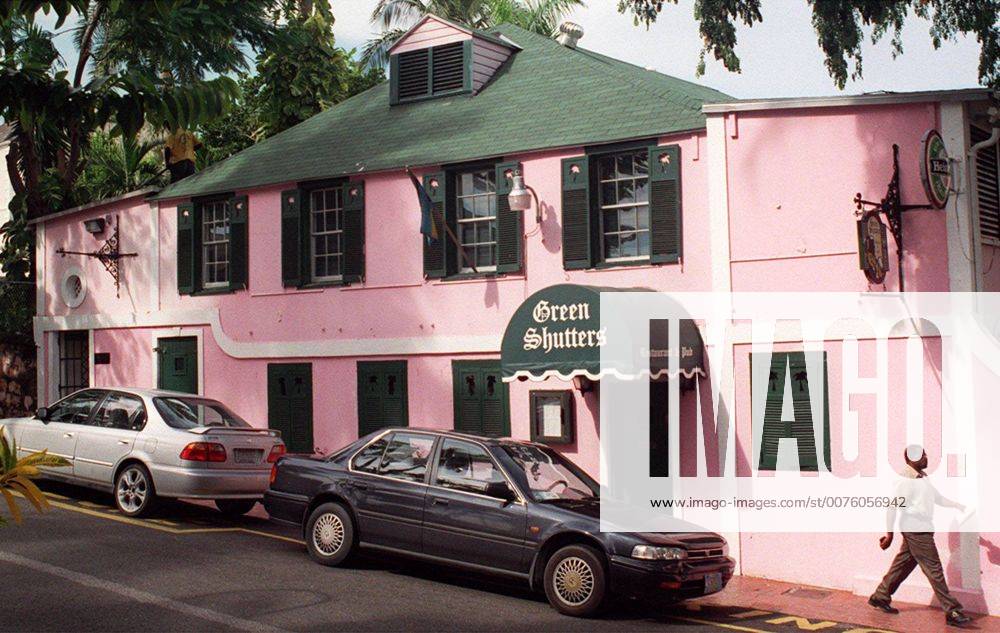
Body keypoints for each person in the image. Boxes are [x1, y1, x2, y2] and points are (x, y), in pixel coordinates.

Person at [868, 445, 972, 627]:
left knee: (903, 564)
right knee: (934, 570)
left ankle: (881, 595)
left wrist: (958, 505)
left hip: (921, 527)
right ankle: (952, 610)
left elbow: (937, 498)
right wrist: (889, 535)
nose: (926, 458)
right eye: (923, 455)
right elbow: (892, 506)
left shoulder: (922, 477)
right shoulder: (906, 480)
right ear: (912, 458)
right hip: (916, 528)